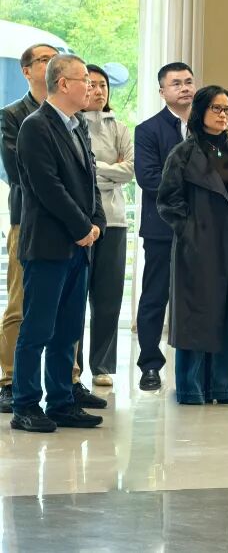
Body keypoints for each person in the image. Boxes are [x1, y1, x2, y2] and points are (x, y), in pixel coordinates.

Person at [9, 54, 106, 432]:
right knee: (37, 329)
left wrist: (96, 223)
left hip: (79, 246)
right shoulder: (35, 126)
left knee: (68, 331)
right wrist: (81, 227)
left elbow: (90, 180)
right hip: (49, 245)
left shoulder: (78, 126)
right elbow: (47, 186)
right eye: (85, 80)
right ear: (63, 84)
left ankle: (62, 402)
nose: (91, 87)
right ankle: (25, 405)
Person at [156, 86, 228, 405]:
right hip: (199, 244)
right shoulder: (183, 153)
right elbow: (168, 199)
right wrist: (188, 229)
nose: (223, 114)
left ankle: (223, 387)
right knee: (196, 315)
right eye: (216, 108)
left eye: (227, 109)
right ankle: (190, 388)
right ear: (201, 111)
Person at [0, 42, 59, 414]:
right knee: (20, 303)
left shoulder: (70, 114)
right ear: (26, 71)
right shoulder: (12, 115)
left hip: (67, 224)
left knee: (66, 305)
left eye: (56, 59)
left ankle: (68, 380)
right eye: (44, 60)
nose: (51, 64)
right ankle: (9, 380)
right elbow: (17, 169)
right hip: (27, 220)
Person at [134, 62, 195, 391]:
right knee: (155, 297)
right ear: (162, 92)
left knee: (198, 297)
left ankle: (194, 366)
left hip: (202, 230)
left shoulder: (207, 127)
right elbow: (149, 178)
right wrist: (193, 187)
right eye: (176, 83)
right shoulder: (148, 130)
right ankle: (150, 365)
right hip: (162, 228)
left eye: (188, 82)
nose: (184, 88)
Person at [74, 65, 134, 389]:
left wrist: (94, 170)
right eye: (92, 85)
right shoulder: (71, 126)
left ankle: (102, 366)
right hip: (79, 220)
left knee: (108, 297)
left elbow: (131, 171)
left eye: (103, 86)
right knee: (75, 295)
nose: (98, 91)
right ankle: (72, 366)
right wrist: (111, 169)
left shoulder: (120, 128)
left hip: (114, 221)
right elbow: (74, 173)